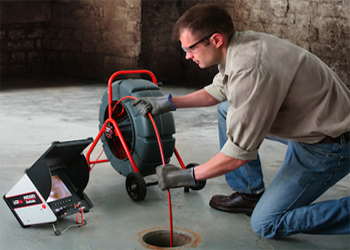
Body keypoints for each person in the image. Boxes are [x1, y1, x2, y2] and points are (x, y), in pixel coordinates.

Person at [132, 4, 350, 238]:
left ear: (215, 39)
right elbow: (219, 90)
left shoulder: (250, 69)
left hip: (329, 144)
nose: (187, 56)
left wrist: (186, 176)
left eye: (191, 48)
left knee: (266, 223)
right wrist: (168, 103)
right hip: (313, 121)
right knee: (227, 109)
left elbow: (237, 155)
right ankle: (249, 194)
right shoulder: (239, 46)